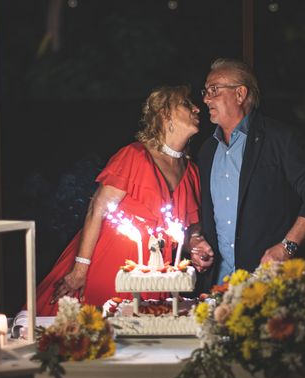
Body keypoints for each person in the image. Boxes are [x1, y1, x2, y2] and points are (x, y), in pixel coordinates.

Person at [34, 85, 213, 315]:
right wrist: (80, 270)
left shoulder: (192, 172)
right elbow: (96, 209)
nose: (197, 108)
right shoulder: (133, 156)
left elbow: (188, 231)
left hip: (155, 280)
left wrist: (196, 243)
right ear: (165, 114)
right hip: (110, 267)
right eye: (187, 104)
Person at [192, 58, 305, 289]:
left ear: (240, 94)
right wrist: (198, 243)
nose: (206, 98)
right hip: (218, 286)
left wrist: (288, 247)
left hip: (270, 283)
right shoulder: (207, 151)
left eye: (214, 90)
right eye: (206, 91)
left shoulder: (280, 139)